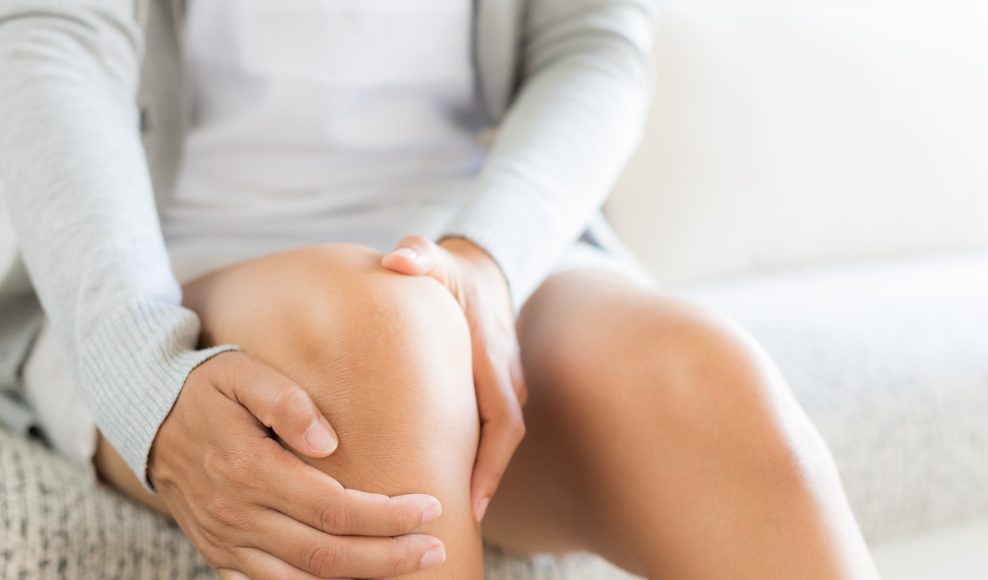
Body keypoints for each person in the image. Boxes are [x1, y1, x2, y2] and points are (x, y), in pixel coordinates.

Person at [0, 0, 881, 578]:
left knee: (714, 385)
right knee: (382, 342)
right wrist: (136, 369)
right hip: (153, 265)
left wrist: (490, 257)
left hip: (474, 238)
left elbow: (594, 40)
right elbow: (51, 38)